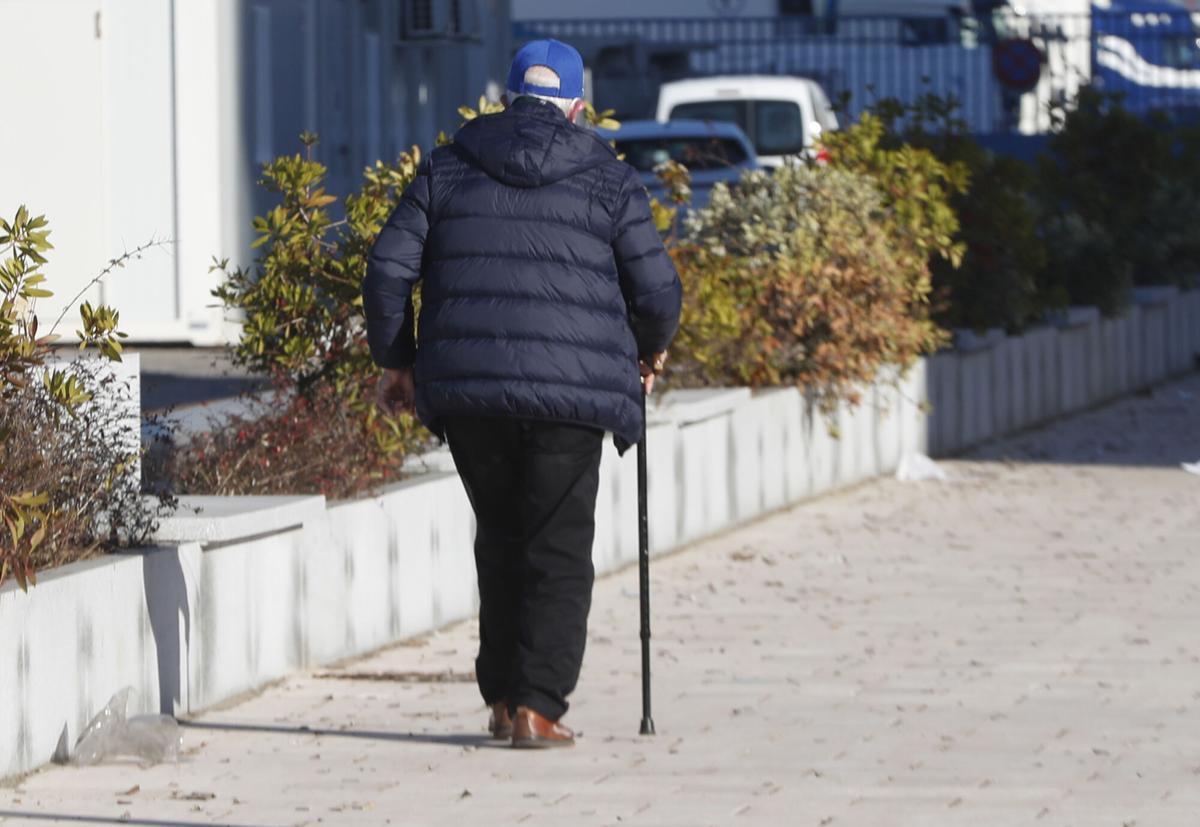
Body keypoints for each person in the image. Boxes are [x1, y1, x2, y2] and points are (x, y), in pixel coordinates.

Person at [362, 38, 681, 748]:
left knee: (500, 535)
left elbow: (387, 269)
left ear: (506, 101)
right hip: (572, 396)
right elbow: (657, 290)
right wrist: (649, 348)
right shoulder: (609, 177)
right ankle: (539, 705)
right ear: (577, 108)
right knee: (557, 547)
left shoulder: (448, 166)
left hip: (471, 392)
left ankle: (504, 698)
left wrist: (399, 360)